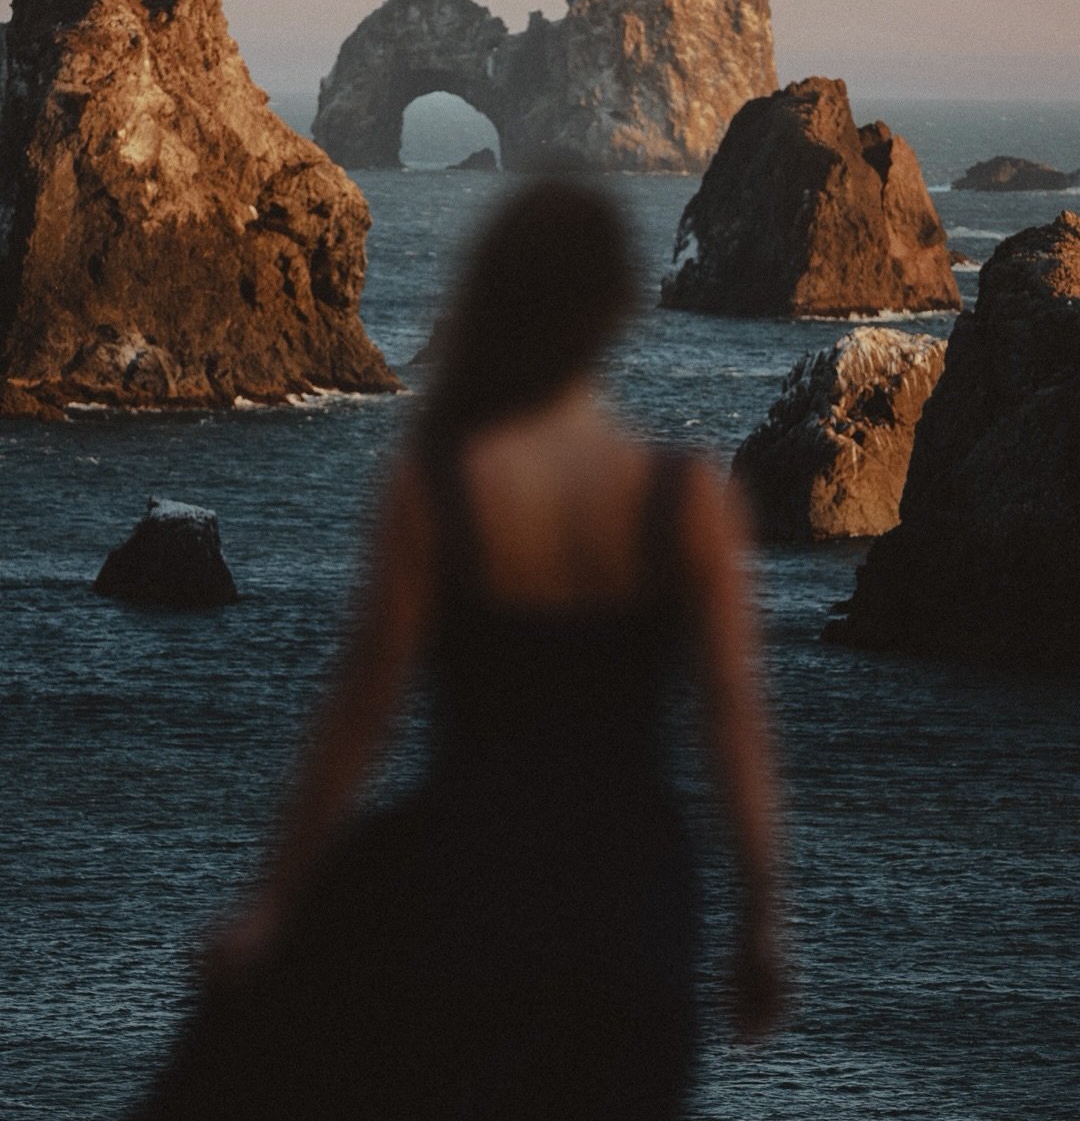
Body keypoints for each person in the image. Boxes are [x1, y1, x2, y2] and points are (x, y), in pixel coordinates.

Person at [130, 176, 784, 1120]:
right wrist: (762, 924)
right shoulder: (685, 501)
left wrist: (274, 904)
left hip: (470, 879)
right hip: (631, 895)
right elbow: (733, 718)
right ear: (614, 310)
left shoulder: (439, 489)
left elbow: (360, 713)